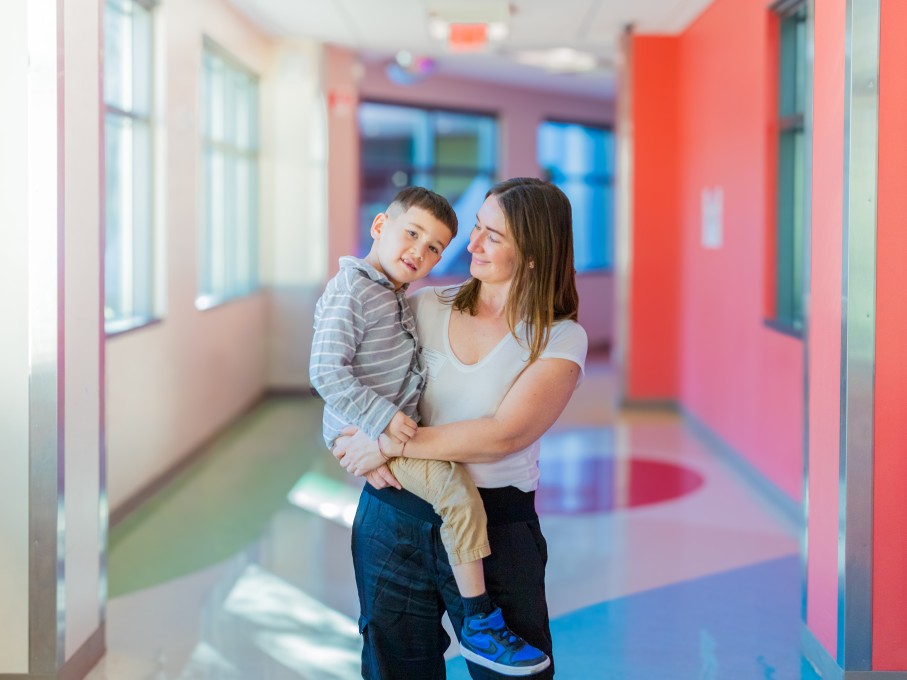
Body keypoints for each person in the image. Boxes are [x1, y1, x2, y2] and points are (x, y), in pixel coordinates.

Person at [333, 177, 588, 679]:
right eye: (475, 227)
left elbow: (504, 434)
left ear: (534, 253)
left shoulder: (559, 338)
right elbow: (354, 370)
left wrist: (384, 442)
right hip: (392, 519)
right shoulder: (425, 306)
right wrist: (346, 437)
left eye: (493, 236)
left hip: (495, 531)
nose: (471, 244)